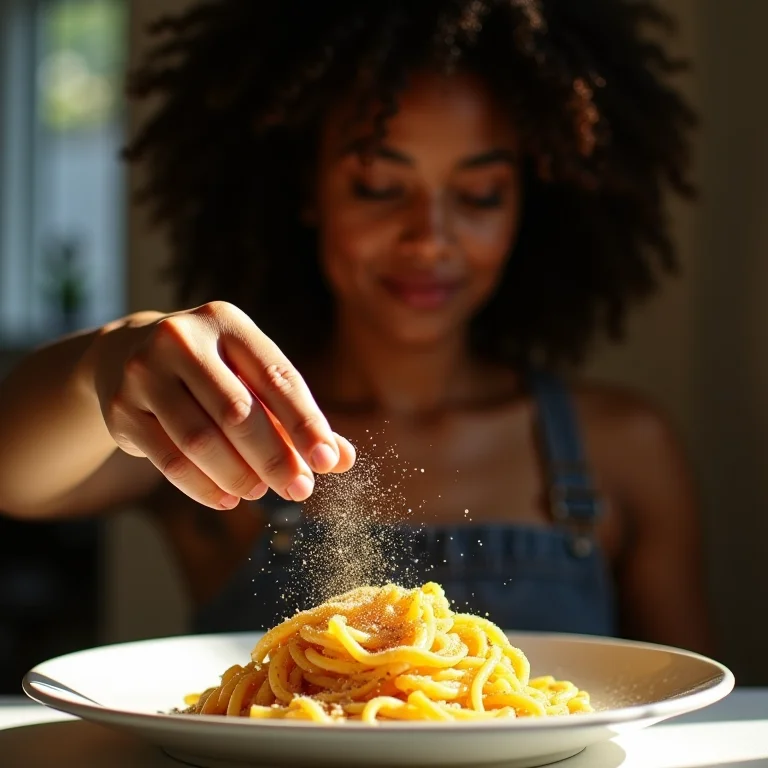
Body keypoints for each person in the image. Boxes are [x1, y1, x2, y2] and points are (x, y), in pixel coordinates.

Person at [0, 0, 714, 654]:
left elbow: (686, 703)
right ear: (308, 190)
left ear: (530, 203)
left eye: (478, 195)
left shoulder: (623, 447)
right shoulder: (212, 425)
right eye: (378, 186)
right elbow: (12, 473)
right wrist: (105, 365)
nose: (429, 238)